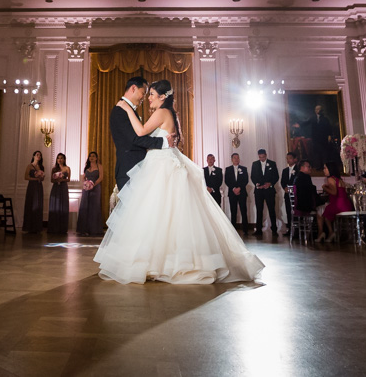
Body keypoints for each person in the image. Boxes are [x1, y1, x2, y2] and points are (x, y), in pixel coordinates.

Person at [94, 80, 264, 284]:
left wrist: (126, 108)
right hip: (162, 162)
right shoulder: (169, 113)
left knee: (161, 214)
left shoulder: (161, 113)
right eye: (146, 94)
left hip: (162, 166)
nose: (148, 97)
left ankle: (160, 261)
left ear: (162, 97)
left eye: (152, 94)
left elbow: (139, 133)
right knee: (166, 214)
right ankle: (164, 260)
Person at [110, 77, 165, 191]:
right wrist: (163, 142)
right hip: (129, 170)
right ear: (133, 88)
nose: (144, 98)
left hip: (135, 169)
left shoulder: (127, 110)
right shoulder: (120, 111)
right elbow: (135, 139)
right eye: (143, 93)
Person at [316, 163, 352, 243]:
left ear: (330, 169)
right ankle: (329, 233)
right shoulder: (340, 180)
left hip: (338, 204)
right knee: (325, 211)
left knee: (322, 213)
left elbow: (334, 192)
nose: (324, 170)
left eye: (325, 168)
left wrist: (324, 188)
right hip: (346, 204)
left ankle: (328, 232)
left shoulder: (330, 179)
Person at [250, 148, 279, 236]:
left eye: (263, 157)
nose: (261, 159)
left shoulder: (272, 163)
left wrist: (270, 184)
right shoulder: (254, 164)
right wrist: (257, 184)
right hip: (259, 191)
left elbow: (276, 176)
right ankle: (258, 229)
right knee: (259, 210)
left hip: (269, 190)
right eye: (260, 157)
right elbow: (252, 176)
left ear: (266, 155)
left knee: (271, 210)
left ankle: (274, 229)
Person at [77, 151, 104, 236]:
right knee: (85, 207)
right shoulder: (87, 167)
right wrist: (85, 183)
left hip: (95, 188)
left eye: (93, 156)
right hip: (87, 189)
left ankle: (94, 229)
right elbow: (83, 177)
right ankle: (84, 229)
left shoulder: (99, 166)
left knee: (94, 207)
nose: (91, 158)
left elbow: (101, 177)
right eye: (90, 156)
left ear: (96, 158)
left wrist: (92, 184)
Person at [224, 152, 249, 235]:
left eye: (238, 158)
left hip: (242, 193)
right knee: (233, 211)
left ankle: (245, 229)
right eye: (235, 158)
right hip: (232, 193)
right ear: (231, 159)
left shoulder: (244, 169)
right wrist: (234, 188)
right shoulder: (228, 169)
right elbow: (227, 180)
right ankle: (233, 230)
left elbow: (246, 180)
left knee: (243, 211)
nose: (236, 159)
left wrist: (239, 188)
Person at [22, 151, 45, 233]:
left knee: (38, 204)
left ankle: (37, 227)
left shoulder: (41, 167)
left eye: (40, 155)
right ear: (34, 156)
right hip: (32, 186)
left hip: (39, 186)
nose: (38, 156)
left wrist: (41, 177)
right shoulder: (30, 166)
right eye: (37, 155)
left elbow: (43, 179)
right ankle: (29, 226)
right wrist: (35, 178)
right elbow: (26, 177)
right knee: (30, 204)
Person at [47, 153, 70, 234]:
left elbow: (68, 179)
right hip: (56, 188)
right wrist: (57, 180)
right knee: (55, 205)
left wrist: (62, 180)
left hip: (63, 187)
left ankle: (62, 228)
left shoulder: (67, 168)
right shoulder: (54, 169)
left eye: (61, 158)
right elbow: (51, 180)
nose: (60, 160)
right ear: (56, 160)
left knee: (63, 205)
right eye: (58, 158)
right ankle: (54, 227)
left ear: (64, 159)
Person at [280, 152, 298, 235]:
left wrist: (292, 188)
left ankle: (297, 230)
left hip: (296, 195)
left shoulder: (298, 170)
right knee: (288, 211)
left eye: (290, 158)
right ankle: (290, 229)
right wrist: (285, 188)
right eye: (287, 158)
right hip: (287, 195)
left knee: (296, 211)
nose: (288, 160)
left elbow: (298, 182)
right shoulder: (285, 170)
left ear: (295, 159)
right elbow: (283, 181)